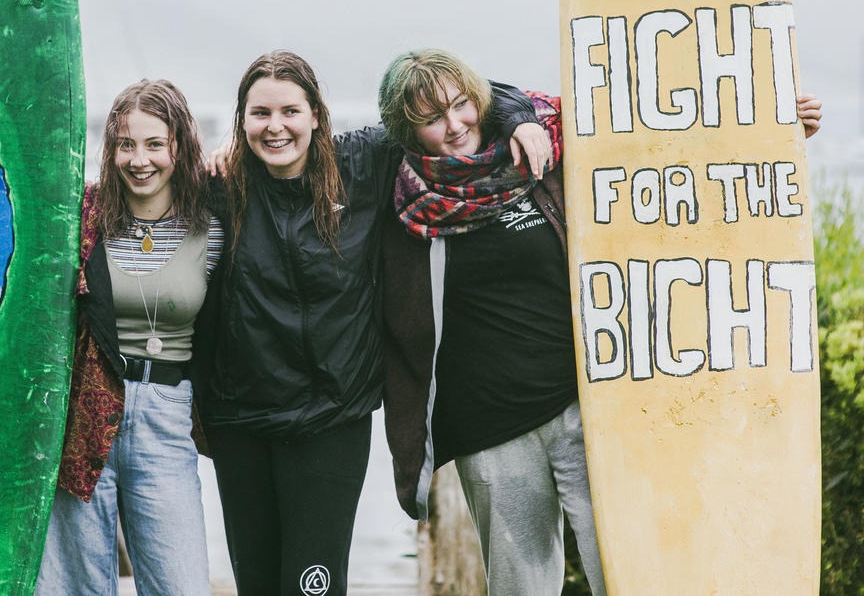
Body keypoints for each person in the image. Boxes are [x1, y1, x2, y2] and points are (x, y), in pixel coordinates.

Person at [374, 48, 823, 595]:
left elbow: (650, 150)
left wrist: (767, 125)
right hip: (489, 430)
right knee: (522, 588)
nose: (454, 125)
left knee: (631, 573)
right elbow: (311, 162)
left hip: (587, 409)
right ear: (408, 130)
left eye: (462, 104)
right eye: (432, 119)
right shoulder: (399, 196)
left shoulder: (536, 156)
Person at [196, 49, 547, 596]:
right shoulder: (221, 187)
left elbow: (455, 97)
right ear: (241, 123)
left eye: (290, 111)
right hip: (241, 420)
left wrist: (521, 118)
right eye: (260, 114)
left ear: (316, 113)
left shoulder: (362, 163)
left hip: (332, 419)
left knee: (313, 586)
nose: (276, 127)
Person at [36, 79, 223, 596]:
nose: (139, 159)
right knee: (76, 587)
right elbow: (13, 246)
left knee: (181, 585)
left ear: (179, 145)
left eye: (154, 144)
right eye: (126, 144)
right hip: (84, 414)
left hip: (167, 415)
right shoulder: (83, 217)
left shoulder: (212, 223)